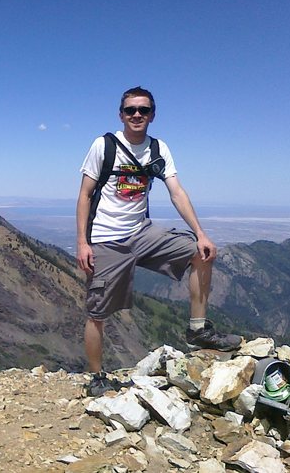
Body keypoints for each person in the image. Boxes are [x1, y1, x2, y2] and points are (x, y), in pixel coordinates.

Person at [76, 86, 242, 397]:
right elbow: (85, 195)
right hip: (107, 240)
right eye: (130, 110)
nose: (137, 115)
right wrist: (83, 243)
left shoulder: (158, 149)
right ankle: (97, 376)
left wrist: (201, 233)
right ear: (121, 114)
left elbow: (176, 192)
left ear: (153, 114)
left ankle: (198, 330)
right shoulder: (104, 145)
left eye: (143, 110)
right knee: (97, 312)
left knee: (199, 253)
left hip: (142, 232)